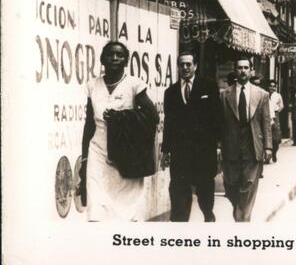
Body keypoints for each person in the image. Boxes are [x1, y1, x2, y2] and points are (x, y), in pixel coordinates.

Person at [80, 41, 158, 221]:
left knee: (125, 213)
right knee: (96, 208)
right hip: (98, 152)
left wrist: (121, 116)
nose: (115, 58)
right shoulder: (92, 85)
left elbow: (152, 116)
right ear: (102, 59)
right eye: (110, 54)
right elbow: (89, 124)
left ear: (126, 61)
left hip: (126, 155)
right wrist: (84, 157)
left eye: (120, 55)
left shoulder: (134, 84)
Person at [161, 49, 223, 222]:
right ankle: (180, 226)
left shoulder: (209, 86)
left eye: (189, 64)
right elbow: (169, 123)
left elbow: (217, 117)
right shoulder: (171, 92)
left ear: (195, 66)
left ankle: (208, 216)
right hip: (180, 151)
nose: (185, 68)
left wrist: (218, 146)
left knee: (204, 191)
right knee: (179, 190)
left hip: (204, 150)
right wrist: (166, 150)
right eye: (182, 65)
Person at [220, 57, 272, 222]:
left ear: (251, 71)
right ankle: (239, 211)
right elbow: (219, 123)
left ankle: (243, 219)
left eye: (246, 68)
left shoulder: (262, 95)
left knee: (249, 185)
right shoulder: (224, 95)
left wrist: (268, 147)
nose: (242, 71)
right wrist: (218, 146)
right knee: (231, 185)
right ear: (235, 71)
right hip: (231, 146)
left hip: (252, 145)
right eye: (239, 67)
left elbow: (266, 122)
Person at [266, 80, 284, 162]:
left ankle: (274, 153)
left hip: (275, 117)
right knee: (267, 136)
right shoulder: (265, 95)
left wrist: (276, 112)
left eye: (274, 86)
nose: (272, 88)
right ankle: (267, 156)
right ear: (268, 86)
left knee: (276, 138)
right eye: (270, 86)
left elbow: (281, 106)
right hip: (266, 117)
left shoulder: (278, 95)